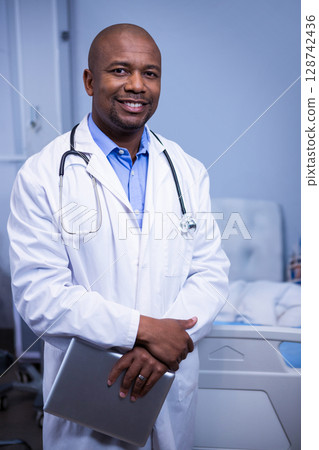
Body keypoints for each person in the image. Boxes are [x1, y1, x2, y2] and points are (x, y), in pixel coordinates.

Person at [8, 24, 229, 450]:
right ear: (90, 81)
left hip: (169, 380)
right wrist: (144, 330)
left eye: (150, 73)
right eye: (120, 70)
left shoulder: (187, 169)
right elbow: (40, 295)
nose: (136, 86)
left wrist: (162, 347)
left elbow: (210, 270)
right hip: (91, 390)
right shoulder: (43, 174)